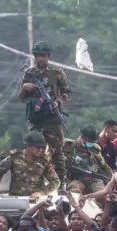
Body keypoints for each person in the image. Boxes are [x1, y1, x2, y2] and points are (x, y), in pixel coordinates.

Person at [19, 40, 72, 184]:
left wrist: (58, 101)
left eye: (44, 55)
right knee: (32, 151)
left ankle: (61, 182)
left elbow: (67, 92)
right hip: (36, 120)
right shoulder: (29, 73)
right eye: (39, 55)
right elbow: (21, 97)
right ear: (35, 56)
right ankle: (30, 182)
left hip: (52, 119)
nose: (41, 58)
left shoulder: (57, 73)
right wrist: (26, 87)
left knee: (57, 152)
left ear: (48, 56)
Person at [0, 130, 60, 198]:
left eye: (42, 147)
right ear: (29, 146)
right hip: (16, 199)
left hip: (36, 199)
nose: (40, 150)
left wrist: (42, 193)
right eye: (38, 147)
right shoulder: (15, 157)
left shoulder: (43, 161)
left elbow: (56, 181)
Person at [64, 124, 113, 196]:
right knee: (75, 191)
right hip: (74, 179)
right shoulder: (67, 146)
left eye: (93, 143)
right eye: (90, 142)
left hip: (93, 179)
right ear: (82, 138)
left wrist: (113, 180)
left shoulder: (95, 149)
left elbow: (104, 166)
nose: (91, 144)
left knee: (102, 194)